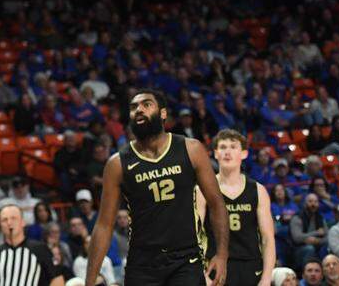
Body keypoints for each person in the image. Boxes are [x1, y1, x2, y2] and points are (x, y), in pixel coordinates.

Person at [84, 89, 229, 286]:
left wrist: (221, 255)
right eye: (134, 107)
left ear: (163, 114)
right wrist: (89, 281)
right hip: (142, 263)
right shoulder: (117, 164)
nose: (139, 110)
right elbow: (104, 225)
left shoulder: (190, 149)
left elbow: (216, 203)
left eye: (146, 105)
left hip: (185, 259)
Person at [195, 129, 276, 286]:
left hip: (250, 265)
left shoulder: (258, 190)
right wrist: (201, 273)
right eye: (223, 147)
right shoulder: (203, 189)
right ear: (215, 153)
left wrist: (266, 278)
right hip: (216, 265)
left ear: (244, 153)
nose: (228, 152)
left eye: (233, 147)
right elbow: (194, 235)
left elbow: (267, 239)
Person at [0, 204, 63, 286]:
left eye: (14, 218)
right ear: (0, 225)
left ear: (23, 222)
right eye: (4, 220)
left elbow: (57, 279)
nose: (9, 223)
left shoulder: (40, 249)